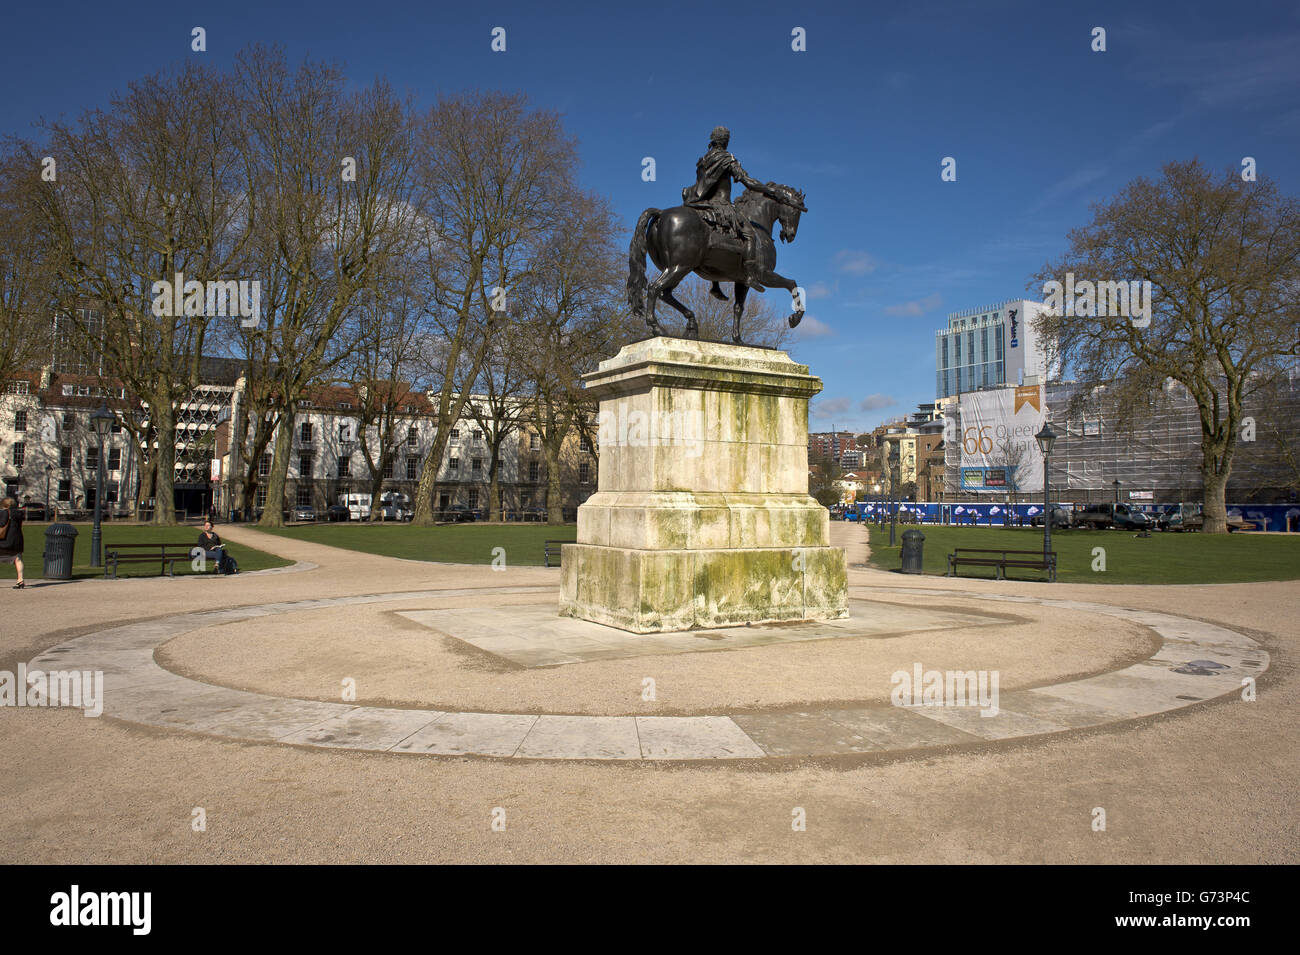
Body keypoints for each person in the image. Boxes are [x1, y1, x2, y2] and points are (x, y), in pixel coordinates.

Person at [681, 126, 779, 292]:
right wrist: (769, 190)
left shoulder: (703, 159)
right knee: (749, 235)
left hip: (701, 203)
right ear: (726, 141)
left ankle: (715, 283)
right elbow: (747, 181)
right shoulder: (727, 159)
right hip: (720, 204)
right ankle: (749, 276)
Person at [0, 496, 25, 589]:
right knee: (18, 559)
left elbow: (2, 524)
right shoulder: (19, 513)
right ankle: (20, 580)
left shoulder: (3, 513)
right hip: (17, 539)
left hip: (4, 539)